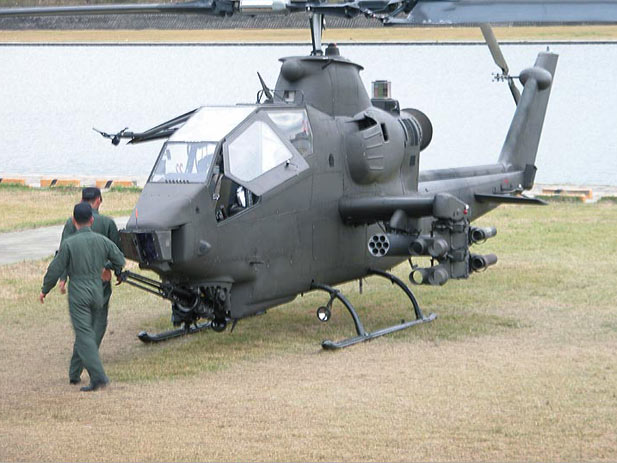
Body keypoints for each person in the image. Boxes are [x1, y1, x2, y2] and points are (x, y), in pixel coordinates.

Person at [40, 202, 125, 392]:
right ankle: (74, 372)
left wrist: (45, 288)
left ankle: (98, 377)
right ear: (92, 220)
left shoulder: (69, 243)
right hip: (97, 290)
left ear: (73, 221)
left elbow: (56, 268)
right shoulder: (102, 241)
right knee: (89, 331)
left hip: (79, 291)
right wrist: (106, 266)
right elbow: (120, 259)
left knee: (84, 334)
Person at [58, 187, 122, 385]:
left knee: (83, 328)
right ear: (99, 200)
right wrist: (113, 269)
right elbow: (116, 251)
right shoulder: (108, 223)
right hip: (100, 281)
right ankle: (89, 365)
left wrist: (63, 278)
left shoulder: (71, 223)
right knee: (98, 325)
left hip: (79, 283)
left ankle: (75, 371)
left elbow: (63, 252)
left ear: (82, 199)